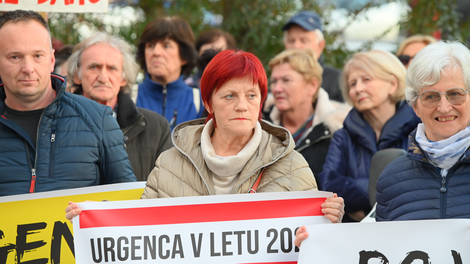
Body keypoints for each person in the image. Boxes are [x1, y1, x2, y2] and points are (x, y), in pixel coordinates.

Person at [66, 50, 345, 224]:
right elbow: (141, 226)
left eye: (252, 96)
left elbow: (311, 242)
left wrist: (328, 221)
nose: (242, 106)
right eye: (230, 96)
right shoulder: (170, 164)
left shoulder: (292, 165)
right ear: (209, 104)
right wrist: (96, 214)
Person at [0, 10, 136, 196]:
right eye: (15, 57)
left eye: (37, 56)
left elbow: (128, 201)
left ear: (52, 59)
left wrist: (95, 210)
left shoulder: (98, 119)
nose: (28, 68)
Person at [319, 50, 421, 222]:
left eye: (366, 79)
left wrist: (358, 201)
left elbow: (420, 187)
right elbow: (329, 187)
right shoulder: (343, 136)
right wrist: (387, 189)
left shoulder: (419, 129)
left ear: (393, 84)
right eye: (352, 84)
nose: (358, 89)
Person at [376, 41, 470, 221]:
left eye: (455, 94)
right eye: (431, 96)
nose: (444, 107)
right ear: (415, 106)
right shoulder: (390, 180)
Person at [67, 32, 172, 181]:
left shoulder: (157, 127)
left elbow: (165, 189)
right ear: (77, 75)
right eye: (94, 67)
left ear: (123, 78)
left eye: (112, 68)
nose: (103, 78)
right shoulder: (55, 125)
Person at [263, 49, 350, 186]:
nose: (277, 88)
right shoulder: (259, 125)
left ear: (312, 86)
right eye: (273, 81)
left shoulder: (339, 130)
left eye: (286, 80)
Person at [135, 16, 203, 129]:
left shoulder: (200, 102)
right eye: (150, 45)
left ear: (184, 56)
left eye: (166, 46)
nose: (156, 52)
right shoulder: (127, 98)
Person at [282, 11, 343, 102]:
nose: (296, 46)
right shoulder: (278, 78)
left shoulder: (338, 80)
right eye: (291, 40)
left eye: (303, 40)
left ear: (320, 45)